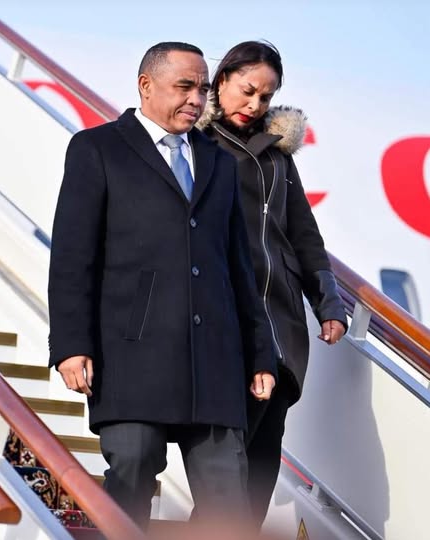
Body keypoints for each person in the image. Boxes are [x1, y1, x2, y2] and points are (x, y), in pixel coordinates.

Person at [47, 42, 277, 532]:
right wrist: (70, 345)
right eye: (184, 86)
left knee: (228, 498)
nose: (196, 99)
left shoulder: (217, 162)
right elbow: (72, 257)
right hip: (131, 356)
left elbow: (239, 266)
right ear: (146, 85)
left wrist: (261, 352)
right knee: (132, 470)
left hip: (214, 360)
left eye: (203, 89)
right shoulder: (97, 149)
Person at [197, 40, 348, 526]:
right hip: (227, 322)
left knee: (261, 465)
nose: (254, 104)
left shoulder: (279, 158)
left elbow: (304, 235)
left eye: (265, 96)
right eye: (246, 90)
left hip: (282, 326)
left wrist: (328, 303)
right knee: (226, 470)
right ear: (221, 80)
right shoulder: (196, 145)